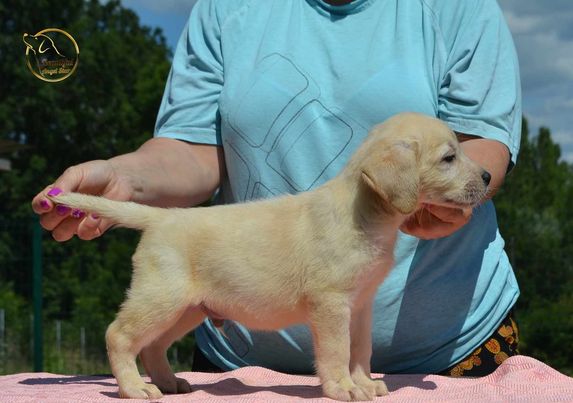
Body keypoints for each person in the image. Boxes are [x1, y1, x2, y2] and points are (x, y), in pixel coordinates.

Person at [32, 0, 521, 377]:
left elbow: (481, 144)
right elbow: (195, 148)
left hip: (450, 351)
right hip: (242, 361)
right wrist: (128, 179)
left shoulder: (460, 7)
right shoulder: (227, 7)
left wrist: (459, 197)